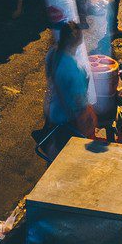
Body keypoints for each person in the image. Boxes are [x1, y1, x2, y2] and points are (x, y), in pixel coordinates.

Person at [42, 20, 96, 159]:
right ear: (77, 42)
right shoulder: (72, 70)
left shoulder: (52, 53)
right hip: (66, 119)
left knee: (55, 145)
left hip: (51, 110)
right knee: (66, 154)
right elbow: (79, 102)